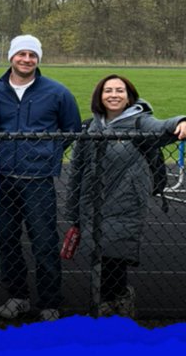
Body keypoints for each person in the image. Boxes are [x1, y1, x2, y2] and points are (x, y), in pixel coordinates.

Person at [65, 75, 186, 318]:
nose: (114, 95)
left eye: (120, 90)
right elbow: (76, 171)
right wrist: (72, 211)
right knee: (99, 254)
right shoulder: (90, 127)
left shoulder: (139, 122)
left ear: (129, 96)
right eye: (108, 90)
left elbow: (161, 126)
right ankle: (108, 301)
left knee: (115, 255)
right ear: (99, 96)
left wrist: (181, 120)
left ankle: (117, 299)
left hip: (125, 201)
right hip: (93, 202)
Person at [0, 35, 81, 322]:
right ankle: (17, 296)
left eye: (32, 55)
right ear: (11, 57)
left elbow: (71, 129)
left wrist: (47, 153)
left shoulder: (57, 92)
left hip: (38, 179)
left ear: (38, 59)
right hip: (2, 178)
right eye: (21, 54)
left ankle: (50, 302)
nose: (26, 59)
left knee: (44, 242)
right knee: (6, 241)